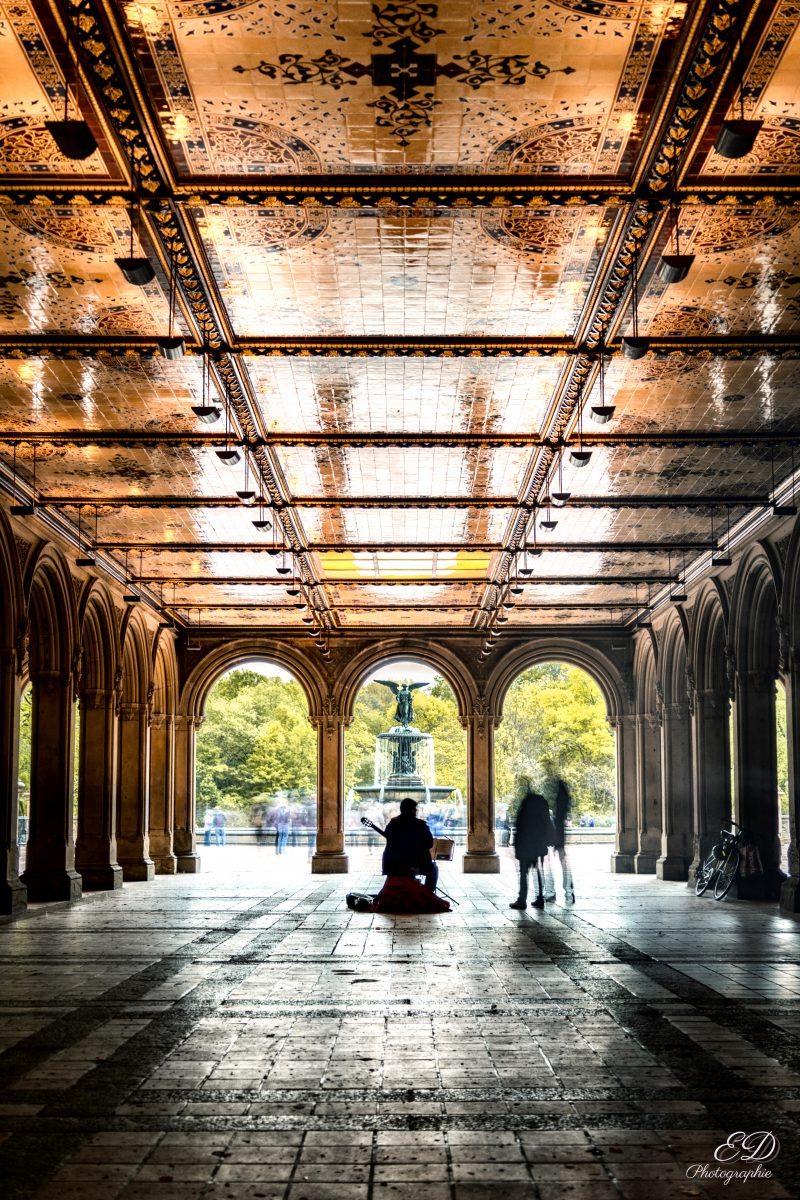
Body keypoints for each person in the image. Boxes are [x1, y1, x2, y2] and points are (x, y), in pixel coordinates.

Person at [510, 790, 555, 910]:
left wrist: (517, 846)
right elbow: (547, 827)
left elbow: (520, 829)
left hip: (526, 847)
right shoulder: (541, 810)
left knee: (524, 874)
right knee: (538, 872)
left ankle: (522, 900)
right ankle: (540, 897)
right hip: (538, 846)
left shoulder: (525, 810)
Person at [382, 797, 438, 892]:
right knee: (433, 869)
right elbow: (429, 843)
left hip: (392, 863)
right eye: (415, 809)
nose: (416, 811)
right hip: (414, 862)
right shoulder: (420, 825)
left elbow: (389, 839)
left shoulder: (393, 823)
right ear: (412, 810)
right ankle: (428, 894)